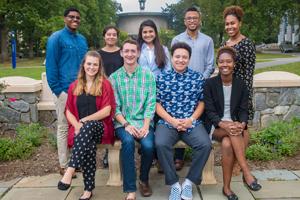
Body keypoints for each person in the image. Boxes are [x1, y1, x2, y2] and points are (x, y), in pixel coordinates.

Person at [204, 47, 261, 200]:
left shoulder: (241, 84)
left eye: (228, 61)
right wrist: (224, 124)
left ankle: (227, 188)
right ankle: (246, 172)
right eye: (221, 61)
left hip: (234, 126)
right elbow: (209, 112)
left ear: (234, 63)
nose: (225, 64)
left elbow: (243, 109)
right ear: (217, 63)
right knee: (232, 131)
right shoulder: (209, 84)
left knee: (228, 144)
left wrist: (242, 123)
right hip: (214, 127)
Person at [155, 42, 211, 200]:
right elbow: (156, 104)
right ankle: (174, 184)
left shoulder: (197, 78)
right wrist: (171, 120)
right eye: (177, 56)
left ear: (189, 59)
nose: (181, 60)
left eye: (184, 57)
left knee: (205, 145)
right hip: (168, 122)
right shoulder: (162, 78)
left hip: (190, 122)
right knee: (160, 143)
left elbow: (202, 102)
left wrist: (191, 119)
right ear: (172, 58)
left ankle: (188, 182)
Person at [57, 51, 116, 200]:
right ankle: (88, 190)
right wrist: (77, 125)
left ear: (99, 66)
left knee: (88, 128)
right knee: (87, 144)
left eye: (95, 64)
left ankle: (70, 170)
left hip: (101, 128)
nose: (91, 67)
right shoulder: (74, 86)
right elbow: (68, 110)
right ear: (83, 65)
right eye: (89, 63)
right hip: (80, 130)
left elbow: (107, 110)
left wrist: (84, 121)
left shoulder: (105, 84)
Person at [110, 40, 156, 200]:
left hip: (144, 122)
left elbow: (151, 102)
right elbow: (114, 107)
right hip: (123, 123)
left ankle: (143, 179)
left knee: (149, 146)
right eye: (126, 51)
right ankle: (130, 189)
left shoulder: (148, 75)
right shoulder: (114, 77)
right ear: (121, 53)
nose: (130, 54)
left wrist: (145, 126)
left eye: (133, 51)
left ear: (138, 53)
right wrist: (126, 124)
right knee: (128, 143)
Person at [46, 7, 88, 176]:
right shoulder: (56, 38)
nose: (75, 19)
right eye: (71, 17)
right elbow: (51, 66)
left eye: (78, 17)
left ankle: (76, 161)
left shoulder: (82, 40)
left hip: (81, 90)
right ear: (64, 18)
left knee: (80, 127)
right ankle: (64, 164)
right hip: (63, 91)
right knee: (64, 127)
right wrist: (57, 91)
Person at [171, 6, 215, 170]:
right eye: (189, 18)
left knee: (199, 118)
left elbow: (210, 64)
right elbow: (174, 62)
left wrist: (199, 80)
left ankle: (199, 151)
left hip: (201, 85)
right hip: (180, 86)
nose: (192, 21)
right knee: (180, 115)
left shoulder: (207, 40)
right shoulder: (177, 39)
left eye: (195, 18)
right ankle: (179, 156)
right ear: (185, 21)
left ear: (199, 20)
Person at [222, 5, 256, 175]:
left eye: (233, 23)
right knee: (231, 128)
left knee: (242, 128)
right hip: (226, 93)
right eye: (227, 24)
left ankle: (239, 163)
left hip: (242, 94)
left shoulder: (247, 44)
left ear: (240, 23)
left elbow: (249, 74)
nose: (230, 27)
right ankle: (234, 160)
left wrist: (245, 98)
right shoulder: (225, 44)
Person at [98, 25, 123, 168]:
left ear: (117, 37)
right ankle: (108, 152)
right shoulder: (98, 53)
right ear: (104, 36)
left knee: (120, 120)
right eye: (109, 34)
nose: (111, 37)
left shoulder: (122, 52)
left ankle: (125, 151)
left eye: (114, 34)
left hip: (121, 91)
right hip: (104, 91)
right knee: (107, 121)